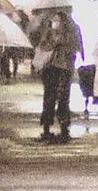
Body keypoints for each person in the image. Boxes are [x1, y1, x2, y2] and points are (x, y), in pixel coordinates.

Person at [35, 10, 83, 142]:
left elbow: (75, 50)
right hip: (49, 69)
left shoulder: (71, 34)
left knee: (63, 97)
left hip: (64, 69)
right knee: (49, 98)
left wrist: (63, 43)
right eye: (54, 20)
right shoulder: (48, 32)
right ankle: (46, 128)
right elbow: (42, 47)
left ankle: (64, 128)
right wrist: (53, 43)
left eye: (59, 20)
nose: (56, 23)